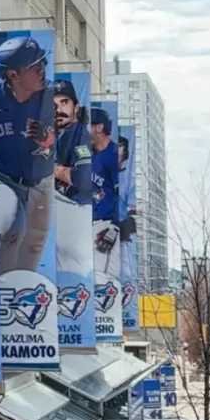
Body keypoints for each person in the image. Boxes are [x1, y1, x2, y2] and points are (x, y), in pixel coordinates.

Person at [0, 36, 54, 274]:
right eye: (35, 66)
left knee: (35, 244)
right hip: (3, 178)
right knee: (12, 227)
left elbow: (76, 143)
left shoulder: (51, 97)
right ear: (13, 75)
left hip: (41, 181)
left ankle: (19, 287)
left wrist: (49, 138)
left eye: (43, 62)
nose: (43, 69)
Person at [50, 77, 93, 278]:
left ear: (76, 106)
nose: (59, 109)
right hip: (64, 216)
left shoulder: (79, 135)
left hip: (75, 213)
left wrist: (54, 170)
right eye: (54, 105)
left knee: (74, 280)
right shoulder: (60, 135)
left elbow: (83, 178)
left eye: (64, 102)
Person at [90, 109, 122, 278]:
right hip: (91, 224)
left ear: (99, 127)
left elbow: (121, 194)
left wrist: (115, 227)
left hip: (107, 226)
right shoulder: (92, 156)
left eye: (88, 125)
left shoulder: (114, 154)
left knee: (104, 278)